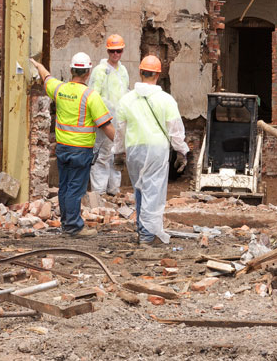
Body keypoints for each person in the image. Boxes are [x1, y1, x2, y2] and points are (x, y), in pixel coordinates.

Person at [30, 53, 115, 238]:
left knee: (65, 187)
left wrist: (38, 65)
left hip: (62, 149)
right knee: (75, 189)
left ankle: (67, 223)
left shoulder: (60, 89)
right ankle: (73, 227)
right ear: (88, 72)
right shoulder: (90, 96)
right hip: (80, 150)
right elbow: (106, 125)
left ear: (71, 70)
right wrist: (123, 144)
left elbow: (47, 77)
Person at [113, 55, 192, 245]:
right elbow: (175, 130)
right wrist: (182, 152)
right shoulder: (166, 100)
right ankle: (148, 235)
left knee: (140, 189)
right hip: (156, 150)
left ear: (140, 73)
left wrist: (117, 153)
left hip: (134, 150)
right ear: (158, 75)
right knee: (154, 191)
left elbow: (120, 131)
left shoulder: (126, 100)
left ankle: (143, 230)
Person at [88, 34, 129, 196]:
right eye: (112, 51)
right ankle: (99, 193)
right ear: (108, 51)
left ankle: (113, 190)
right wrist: (102, 116)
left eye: (118, 51)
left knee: (116, 155)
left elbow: (125, 93)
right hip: (104, 121)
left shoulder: (123, 70)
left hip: (119, 121)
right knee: (101, 156)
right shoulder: (100, 71)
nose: (116, 54)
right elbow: (94, 96)